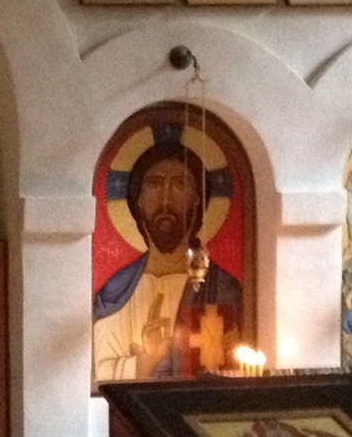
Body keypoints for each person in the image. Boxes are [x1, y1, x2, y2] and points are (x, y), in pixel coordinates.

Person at [92, 138, 243, 382]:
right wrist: (146, 361)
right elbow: (98, 377)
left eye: (180, 184)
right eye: (154, 184)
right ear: (138, 198)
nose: (165, 199)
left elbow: (240, 366)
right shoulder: (114, 294)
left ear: (197, 197)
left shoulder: (223, 288)